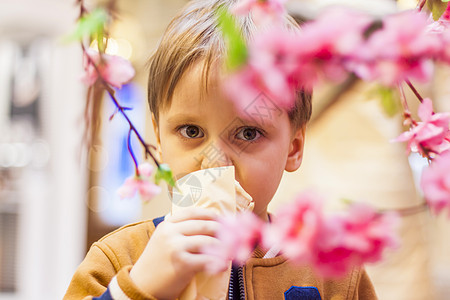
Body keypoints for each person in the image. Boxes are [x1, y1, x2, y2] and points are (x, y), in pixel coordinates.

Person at [64, 0, 378, 299]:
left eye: (248, 133)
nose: (214, 161)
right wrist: (138, 289)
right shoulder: (118, 258)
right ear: (158, 140)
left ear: (293, 148)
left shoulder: (332, 271)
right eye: (191, 131)